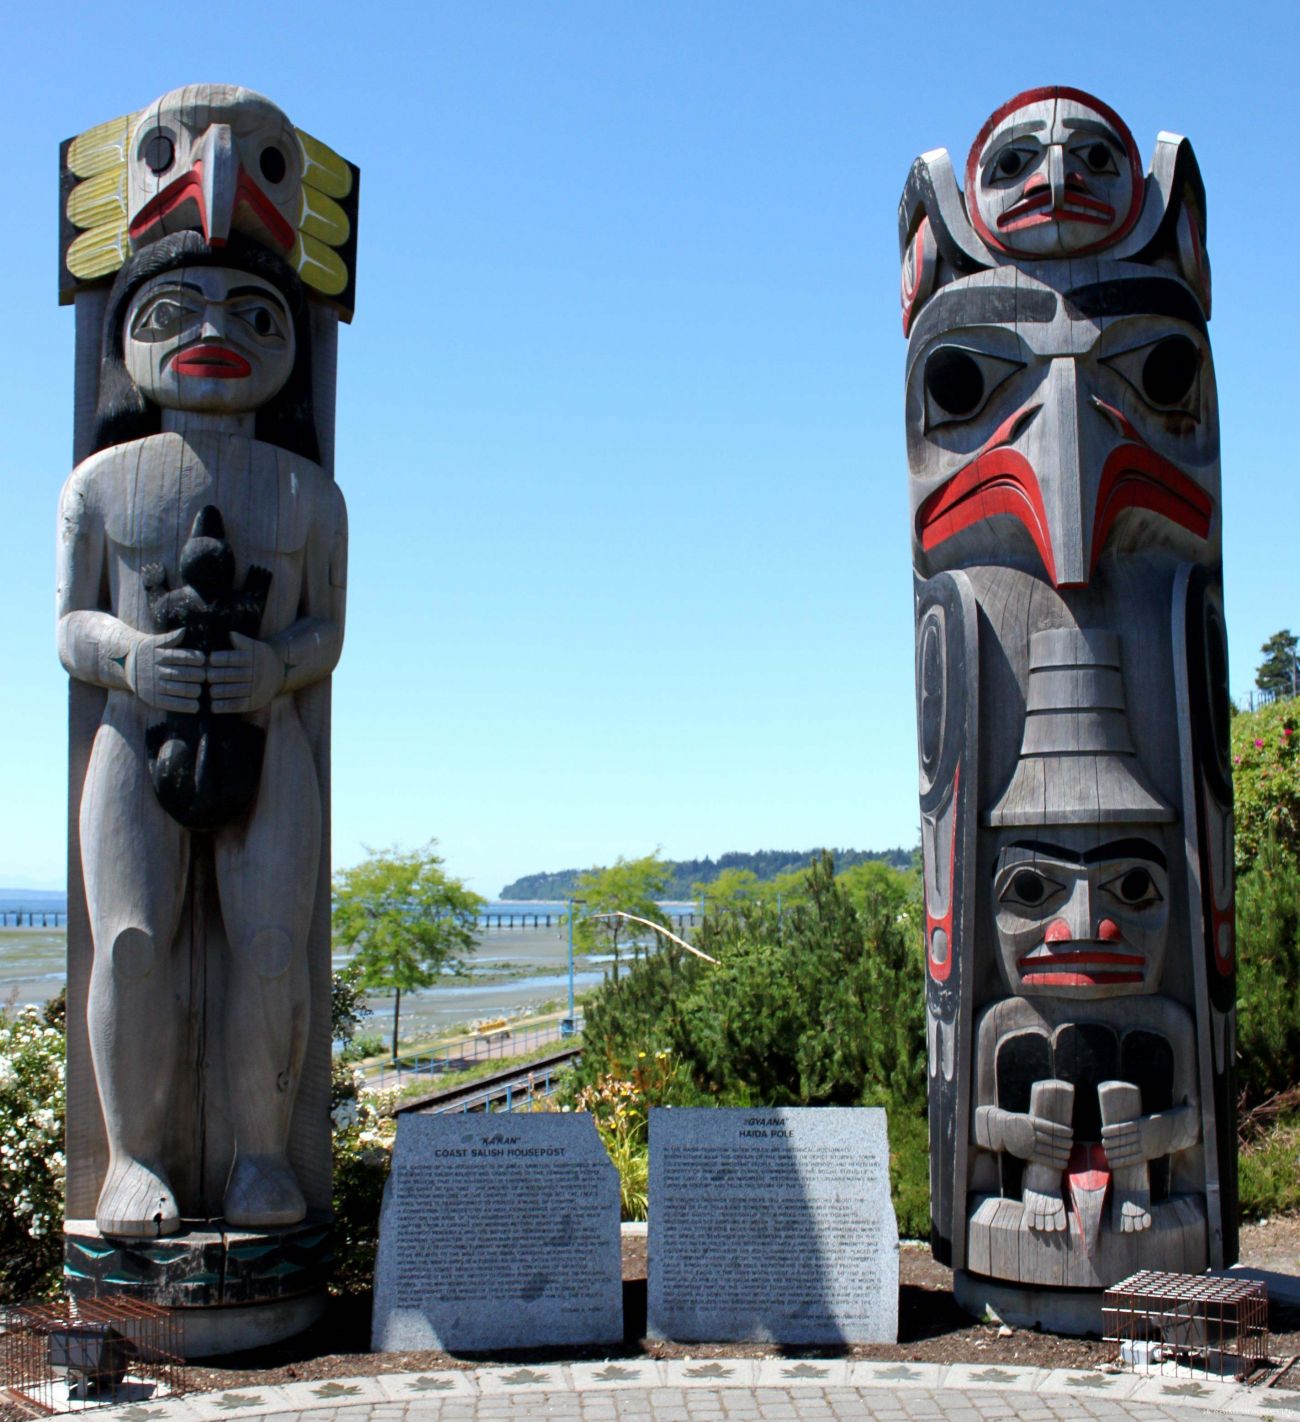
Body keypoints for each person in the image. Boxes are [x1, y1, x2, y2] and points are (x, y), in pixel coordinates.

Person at [56, 230, 346, 1236]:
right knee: (130, 944)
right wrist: (130, 655)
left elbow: (326, 629)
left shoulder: (309, 490)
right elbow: (70, 624)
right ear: (123, 339)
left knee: (272, 948)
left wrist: (279, 664)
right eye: (177, 310)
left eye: (255, 315)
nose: (217, 330)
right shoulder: (99, 482)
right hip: (138, 738)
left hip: (268, 739)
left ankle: (264, 1160)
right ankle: (133, 1160)